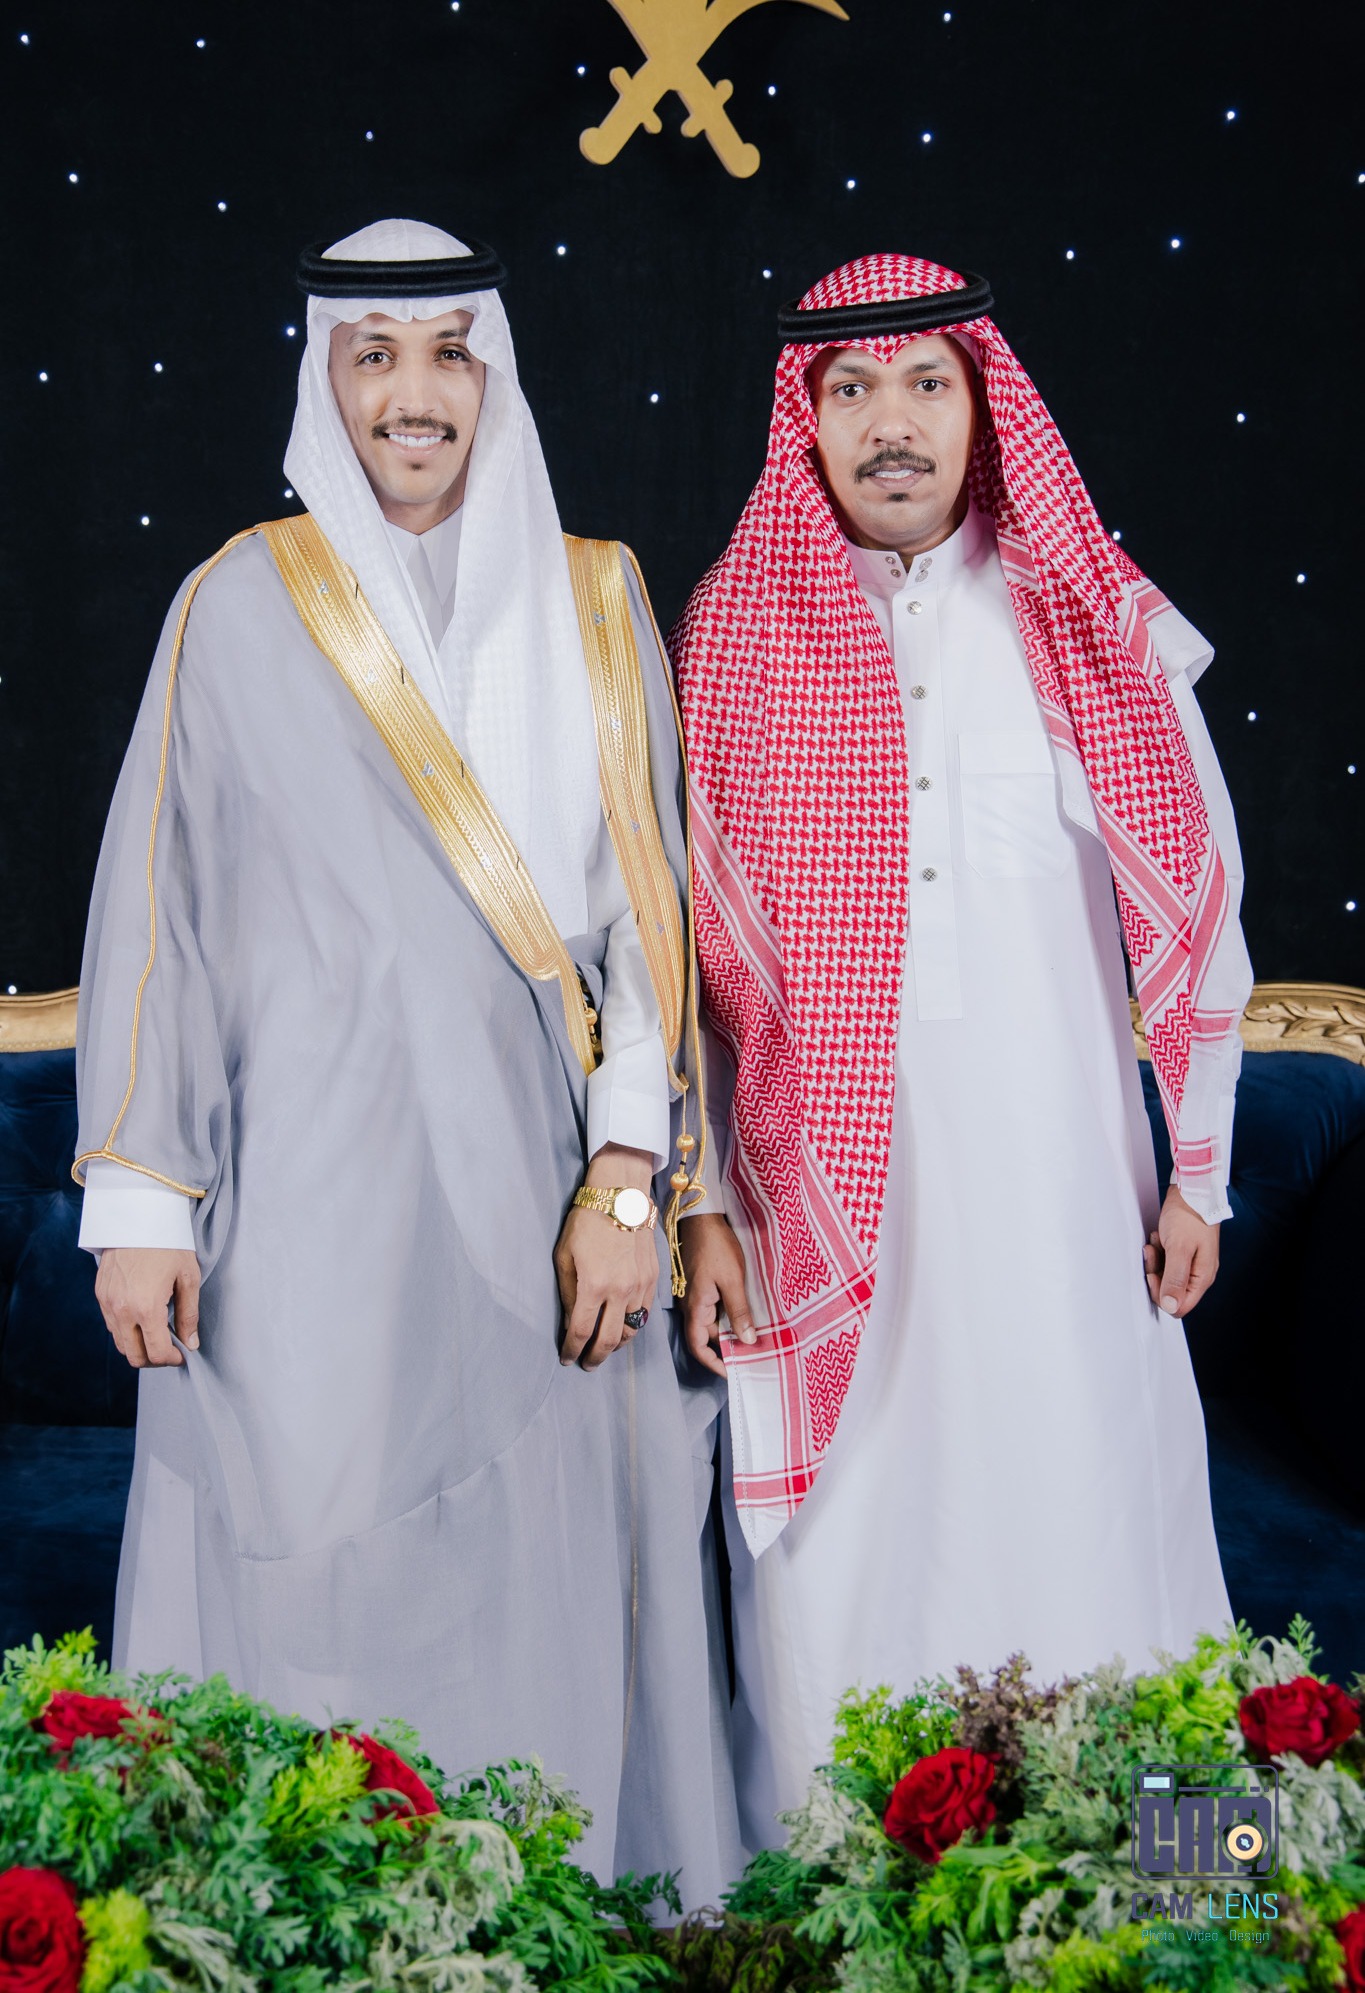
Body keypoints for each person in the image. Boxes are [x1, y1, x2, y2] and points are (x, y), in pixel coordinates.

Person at [74, 217, 738, 1899]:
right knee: (311, 1556)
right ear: (327, 381)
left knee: (548, 1560)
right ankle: (315, 1921)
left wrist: (630, 1187)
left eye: (450, 352)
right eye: (373, 357)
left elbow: (649, 923)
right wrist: (142, 1197)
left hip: (549, 1191)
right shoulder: (235, 602)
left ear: (494, 375)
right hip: (304, 1198)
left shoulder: (595, 597)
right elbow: (161, 913)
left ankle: (546, 1911)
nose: (413, 393)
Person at [671, 253, 1253, 1847]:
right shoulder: (734, 635)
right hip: (811, 1214)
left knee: (1098, 1526)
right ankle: (831, 1907)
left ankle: (1184, 1904)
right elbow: (682, 963)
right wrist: (699, 1202)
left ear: (985, 406)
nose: (891, 423)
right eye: (850, 389)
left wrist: (1196, 1173)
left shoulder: (1084, 618)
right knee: (846, 1562)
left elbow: (1200, 900)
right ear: (802, 422)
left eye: (928, 382)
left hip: (1062, 1200)